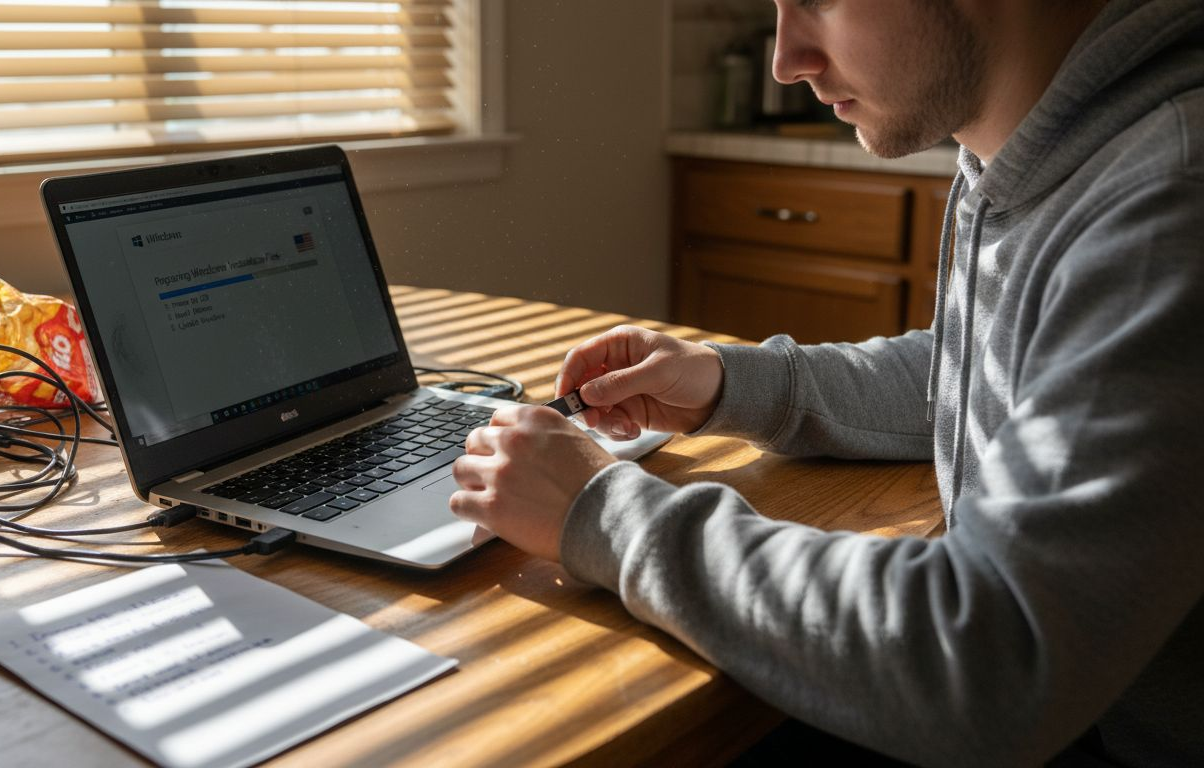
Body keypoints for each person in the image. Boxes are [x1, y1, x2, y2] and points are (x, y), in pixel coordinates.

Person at [449, 0, 1204, 765]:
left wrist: (600, 513)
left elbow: (990, 658)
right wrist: (729, 383)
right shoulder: (1047, 149)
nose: (786, 61)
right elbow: (987, 370)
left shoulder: (1167, 202)